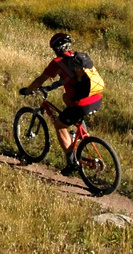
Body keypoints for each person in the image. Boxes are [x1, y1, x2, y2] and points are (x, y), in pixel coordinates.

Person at [19, 32, 104, 176]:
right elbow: (67, 80)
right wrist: (51, 87)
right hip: (96, 99)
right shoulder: (79, 58)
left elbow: (40, 80)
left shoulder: (57, 62)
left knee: (59, 125)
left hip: (81, 104)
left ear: (56, 48)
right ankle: (79, 130)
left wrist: (28, 90)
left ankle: (72, 163)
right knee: (66, 97)